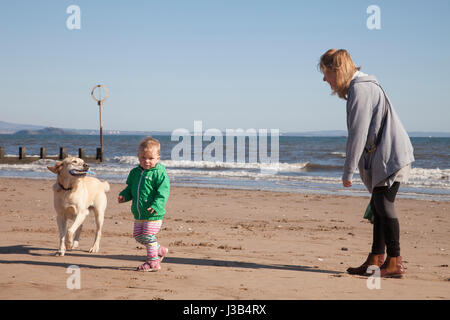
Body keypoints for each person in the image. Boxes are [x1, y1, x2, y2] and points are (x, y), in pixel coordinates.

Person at [319, 49, 414, 278]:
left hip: (391, 156)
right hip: (388, 155)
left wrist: (348, 171)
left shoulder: (359, 89)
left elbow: (358, 134)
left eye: (325, 73)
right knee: (379, 207)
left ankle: (394, 261)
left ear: (336, 70)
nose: (324, 79)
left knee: (383, 206)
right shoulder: (361, 86)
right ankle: (375, 259)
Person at [118, 137, 170, 272]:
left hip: (154, 213)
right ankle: (159, 249)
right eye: (143, 158)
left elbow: (163, 193)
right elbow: (131, 188)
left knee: (147, 236)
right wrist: (125, 196)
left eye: (151, 158)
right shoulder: (135, 173)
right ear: (138, 157)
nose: (146, 161)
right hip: (139, 212)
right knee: (138, 236)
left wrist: (156, 206)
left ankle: (153, 262)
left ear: (158, 158)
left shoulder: (159, 173)